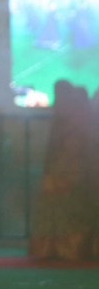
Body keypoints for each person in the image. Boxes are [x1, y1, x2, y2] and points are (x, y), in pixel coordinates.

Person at [28, 81, 95, 260]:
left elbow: (72, 148)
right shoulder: (74, 121)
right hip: (65, 172)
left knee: (63, 207)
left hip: (67, 172)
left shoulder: (70, 122)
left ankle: (60, 248)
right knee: (61, 206)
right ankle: (65, 248)